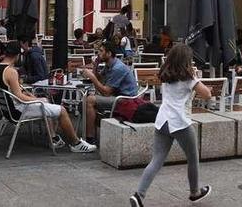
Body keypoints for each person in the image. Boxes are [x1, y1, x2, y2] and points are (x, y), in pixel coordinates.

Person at [129, 44, 212, 206]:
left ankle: (139, 195)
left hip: (162, 121)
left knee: (157, 160)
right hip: (180, 122)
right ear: (186, 61)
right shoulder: (189, 78)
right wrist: (199, 82)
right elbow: (207, 94)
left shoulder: (166, 76)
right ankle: (194, 192)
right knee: (193, 158)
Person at [0, 41, 96, 153]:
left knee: (46, 100)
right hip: (19, 111)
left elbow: (13, 91)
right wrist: (36, 99)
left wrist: (33, 97)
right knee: (62, 110)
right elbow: (20, 97)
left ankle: (54, 138)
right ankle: (76, 143)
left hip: (8, 111)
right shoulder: (11, 72)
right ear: (18, 55)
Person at [82, 41, 139, 142]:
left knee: (90, 100)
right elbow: (101, 80)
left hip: (125, 100)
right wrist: (95, 67)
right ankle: (93, 135)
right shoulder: (109, 65)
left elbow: (106, 92)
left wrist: (92, 77)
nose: (98, 53)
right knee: (88, 100)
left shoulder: (118, 68)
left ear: (108, 54)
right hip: (117, 96)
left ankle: (89, 138)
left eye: (101, 51)